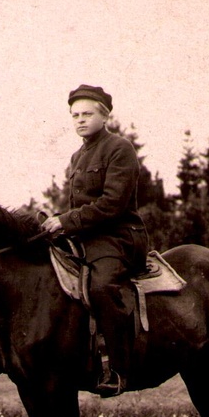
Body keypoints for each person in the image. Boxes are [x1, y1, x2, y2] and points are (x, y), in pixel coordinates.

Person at [40, 85, 148, 397]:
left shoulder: (119, 148)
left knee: (101, 287)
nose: (80, 120)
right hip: (85, 237)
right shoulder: (77, 156)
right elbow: (78, 207)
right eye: (75, 115)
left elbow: (112, 204)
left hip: (119, 237)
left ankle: (118, 369)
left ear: (105, 115)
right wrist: (54, 220)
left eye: (87, 114)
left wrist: (66, 221)